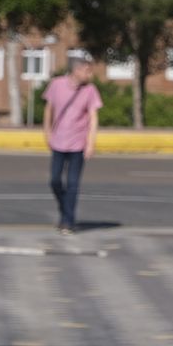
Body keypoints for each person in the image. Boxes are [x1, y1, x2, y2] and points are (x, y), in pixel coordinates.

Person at [43, 49, 102, 235]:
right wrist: (46, 132)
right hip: (58, 142)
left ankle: (67, 221)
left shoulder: (90, 90)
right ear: (76, 70)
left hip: (78, 144)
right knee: (54, 181)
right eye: (87, 70)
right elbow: (48, 110)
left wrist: (91, 143)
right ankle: (65, 211)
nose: (89, 74)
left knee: (73, 184)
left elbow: (93, 118)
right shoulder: (56, 84)